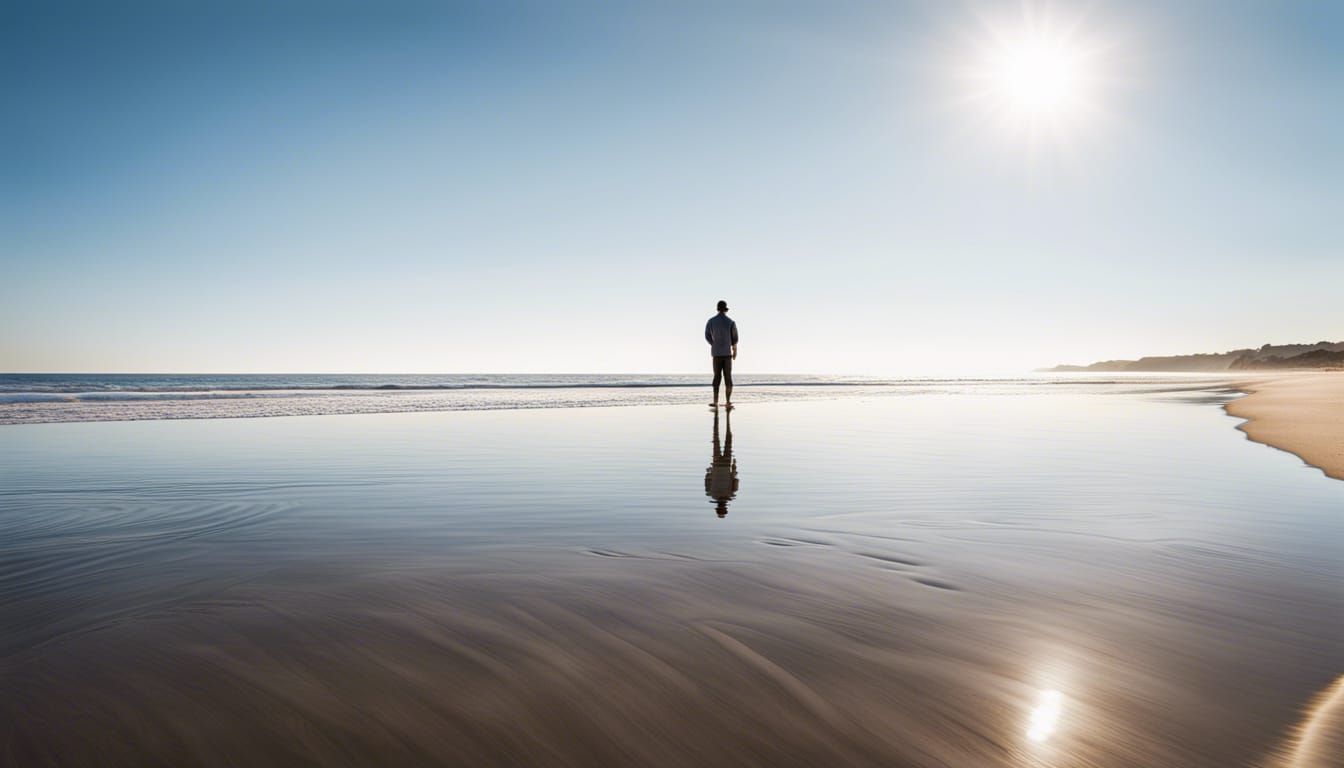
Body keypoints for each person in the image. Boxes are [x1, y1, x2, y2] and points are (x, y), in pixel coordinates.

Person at [704, 409, 738, 518]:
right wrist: (710, 470)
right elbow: (707, 478)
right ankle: (722, 418)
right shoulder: (711, 494)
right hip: (717, 463)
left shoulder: (731, 494)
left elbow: (735, 478)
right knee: (716, 438)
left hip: (725, 463)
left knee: (727, 441)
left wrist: (734, 466)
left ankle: (725, 420)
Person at [704, 299, 738, 408]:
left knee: (716, 377)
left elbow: (707, 336)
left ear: (718, 309)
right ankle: (728, 401)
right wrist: (734, 351)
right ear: (726, 309)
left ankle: (715, 401)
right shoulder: (731, 322)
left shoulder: (711, 321)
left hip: (716, 354)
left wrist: (713, 344)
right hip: (727, 354)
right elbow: (735, 339)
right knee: (728, 378)